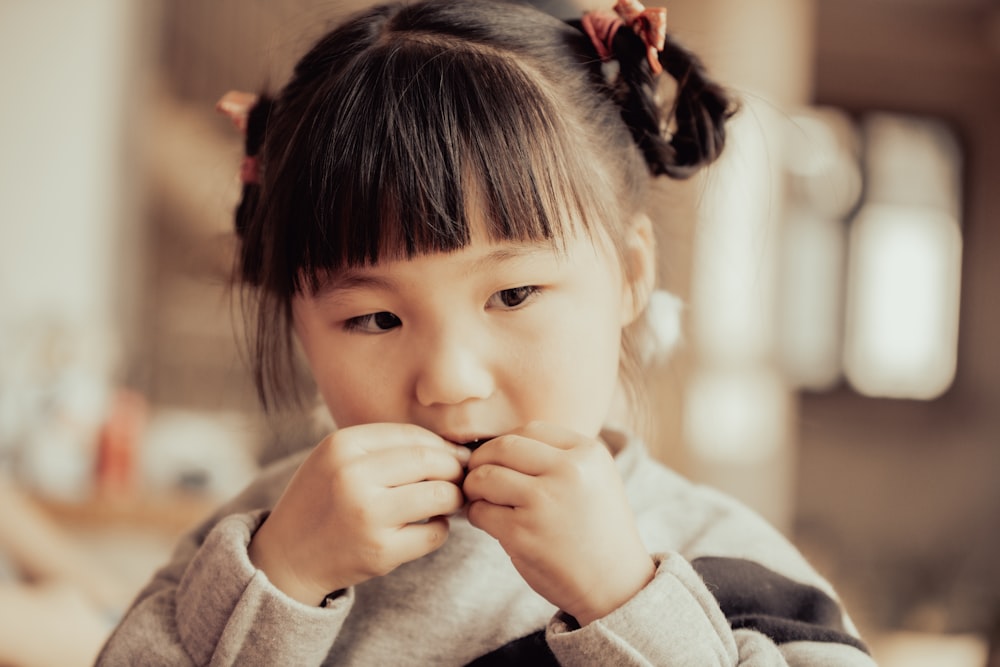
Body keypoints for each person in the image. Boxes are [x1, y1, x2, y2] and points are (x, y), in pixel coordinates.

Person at [98, 0, 875, 664]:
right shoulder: (253, 550)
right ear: (299, 322)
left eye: (513, 293)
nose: (449, 379)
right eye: (374, 317)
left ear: (632, 273)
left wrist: (624, 600)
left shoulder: (731, 561)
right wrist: (281, 580)